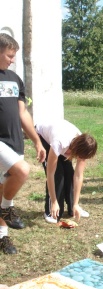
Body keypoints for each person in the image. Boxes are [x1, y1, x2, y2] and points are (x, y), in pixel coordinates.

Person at [0, 33, 46, 231]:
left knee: (2, 189)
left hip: (14, 142)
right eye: (9, 56)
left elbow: (22, 113)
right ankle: (7, 208)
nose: (12, 60)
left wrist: (36, 141)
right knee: (22, 170)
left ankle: (2, 236)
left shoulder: (14, 79)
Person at [35, 120, 97, 223]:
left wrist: (76, 203)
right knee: (58, 174)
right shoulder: (59, 142)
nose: (81, 159)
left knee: (69, 173)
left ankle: (73, 208)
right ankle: (50, 211)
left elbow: (78, 176)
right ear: (75, 150)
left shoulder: (85, 147)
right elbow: (50, 174)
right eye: (80, 157)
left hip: (63, 139)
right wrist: (54, 202)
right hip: (43, 136)